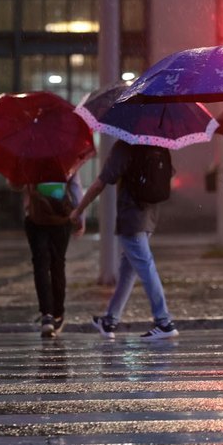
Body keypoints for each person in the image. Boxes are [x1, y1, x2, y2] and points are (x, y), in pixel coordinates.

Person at [68, 140, 178, 341]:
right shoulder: (158, 144)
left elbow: (101, 182)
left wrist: (79, 209)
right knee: (128, 270)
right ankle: (110, 320)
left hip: (131, 217)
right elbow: (168, 174)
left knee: (145, 267)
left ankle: (164, 321)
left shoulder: (124, 146)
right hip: (150, 215)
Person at [16, 174, 85, 338]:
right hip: (61, 217)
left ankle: (47, 315)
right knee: (58, 264)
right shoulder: (66, 157)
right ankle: (57, 314)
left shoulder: (30, 156)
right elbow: (75, 188)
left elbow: (15, 184)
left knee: (40, 265)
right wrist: (80, 218)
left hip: (36, 216)